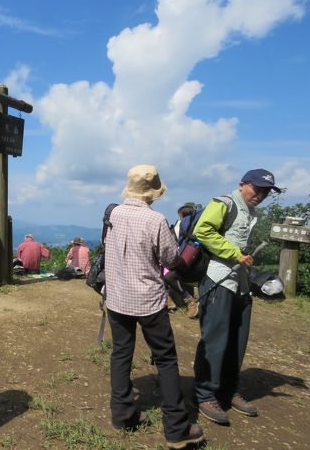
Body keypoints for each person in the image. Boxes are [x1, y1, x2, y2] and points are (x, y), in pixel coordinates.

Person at [103, 164, 203, 449]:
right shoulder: (156, 220)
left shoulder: (113, 213)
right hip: (148, 301)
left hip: (118, 299)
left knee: (121, 353)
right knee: (166, 359)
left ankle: (122, 415)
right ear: (154, 192)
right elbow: (172, 260)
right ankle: (177, 429)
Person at [193, 169, 280, 426]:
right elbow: (203, 231)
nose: (261, 195)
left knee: (237, 339)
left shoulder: (251, 212)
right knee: (215, 338)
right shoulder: (225, 204)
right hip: (219, 278)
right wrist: (234, 253)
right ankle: (204, 394)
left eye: (266, 191)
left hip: (241, 284)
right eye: (257, 188)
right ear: (242, 184)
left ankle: (229, 390)